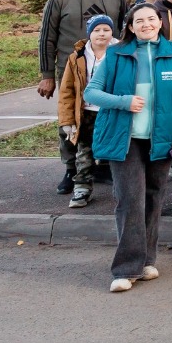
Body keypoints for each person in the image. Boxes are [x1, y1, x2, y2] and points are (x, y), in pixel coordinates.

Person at [84, 3, 172, 292]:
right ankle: (125, 269)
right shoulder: (116, 54)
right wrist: (124, 101)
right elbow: (91, 92)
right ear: (131, 27)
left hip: (163, 138)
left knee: (154, 199)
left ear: (160, 22)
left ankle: (147, 261)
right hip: (126, 138)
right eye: (139, 20)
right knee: (130, 200)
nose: (146, 24)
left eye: (151, 19)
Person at [40, 0, 128, 196]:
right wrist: (47, 75)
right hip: (73, 69)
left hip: (109, 67)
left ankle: (104, 166)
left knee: (107, 115)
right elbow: (47, 39)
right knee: (71, 118)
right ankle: (71, 169)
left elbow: (125, 30)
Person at [56, 14, 117, 209]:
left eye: (106, 30)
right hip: (87, 113)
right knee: (85, 153)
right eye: (97, 30)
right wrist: (67, 120)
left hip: (113, 111)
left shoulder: (121, 53)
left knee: (118, 151)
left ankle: (123, 190)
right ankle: (82, 188)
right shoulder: (77, 57)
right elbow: (67, 91)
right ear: (89, 33)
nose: (102, 34)